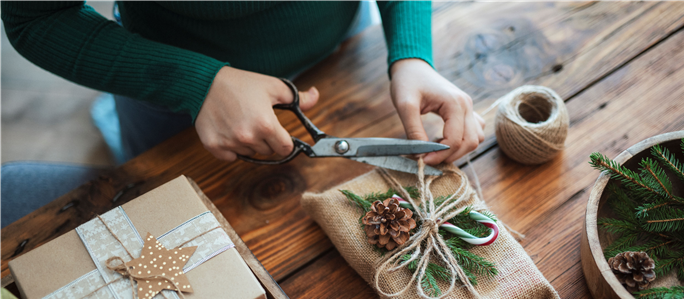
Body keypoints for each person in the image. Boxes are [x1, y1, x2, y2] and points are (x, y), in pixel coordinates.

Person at [0, 1, 485, 227]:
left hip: (344, 52)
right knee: (153, 199)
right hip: (176, 106)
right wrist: (196, 83)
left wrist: (412, 52)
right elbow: (35, 18)